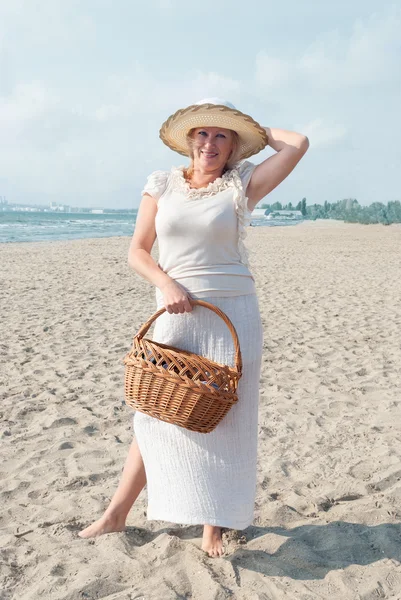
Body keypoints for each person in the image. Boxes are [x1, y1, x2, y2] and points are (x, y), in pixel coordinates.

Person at [79, 98, 309, 557]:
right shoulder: (161, 184)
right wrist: (166, 284)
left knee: (225, 418)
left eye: (222, 135)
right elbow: (138, 251)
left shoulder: (242, 184)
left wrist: (248, 128)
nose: (210, 143)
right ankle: (116, 513)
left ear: (234, 147)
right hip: (174, 310)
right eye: (203, 134)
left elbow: (298, 143)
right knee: (155, 413)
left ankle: (214, 526)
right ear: (188, 141)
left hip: (233, 312)